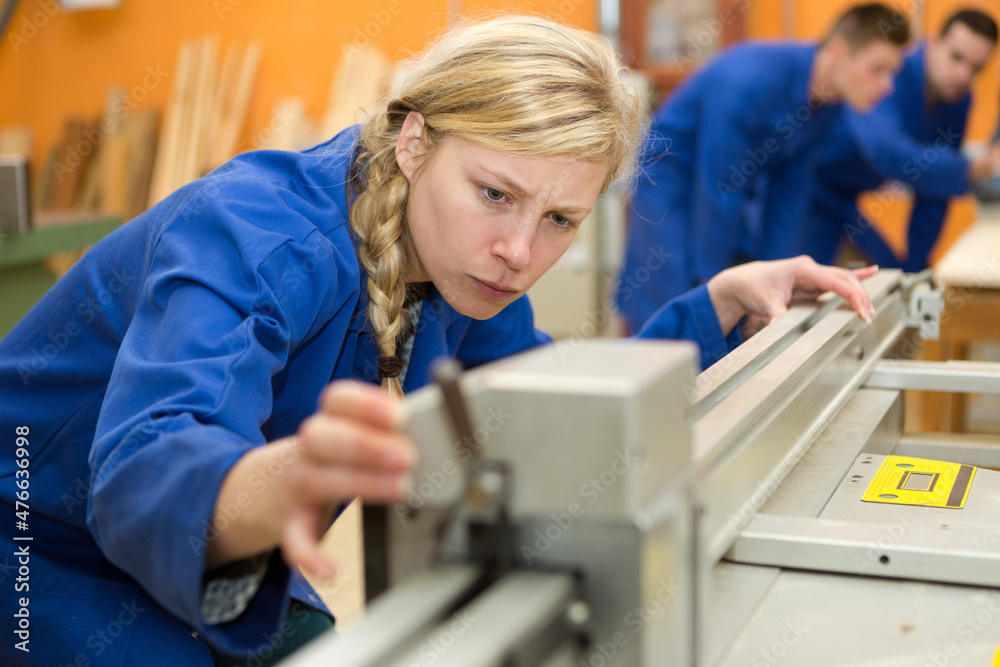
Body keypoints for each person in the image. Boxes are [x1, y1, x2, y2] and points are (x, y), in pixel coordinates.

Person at [0, 15, 876, 666]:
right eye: (495, 193)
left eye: (560, 219)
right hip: (40, 550)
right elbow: (147, 463)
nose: (519, 252)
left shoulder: (465, 273)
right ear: (415, 140)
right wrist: (287, 476)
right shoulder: (252, 237)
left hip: (214, 560)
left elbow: (548, 406)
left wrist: (718, 303)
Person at [615, 3, 907, 332]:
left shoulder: (829, 106)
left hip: (725, 185)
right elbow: (720, 187)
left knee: (734, 295)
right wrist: (713, 287)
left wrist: (777, 279)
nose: (888, 86)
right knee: (669, 294)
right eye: (878, 69)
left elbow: (790, 196)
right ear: (839, 52)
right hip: (671, 179)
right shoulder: (752, 78)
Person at [806, 9, 1000, 271]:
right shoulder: (890, 71)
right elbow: (888, 154)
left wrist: (917, 270)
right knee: (805, 291)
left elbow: (935, 190)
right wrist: (970, 169)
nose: (963, 75)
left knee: (894, 277)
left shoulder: (958, 101)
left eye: (976, 68)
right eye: (956, 57)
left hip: (843, 202)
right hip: (806, 192)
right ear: (934, 43)